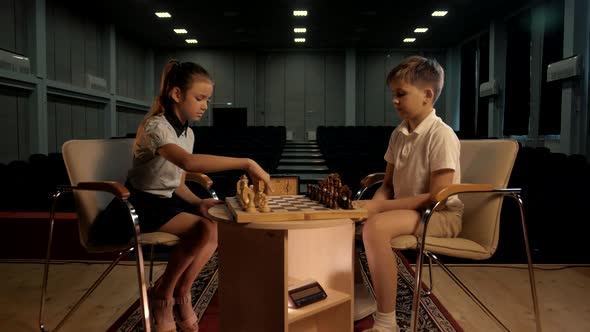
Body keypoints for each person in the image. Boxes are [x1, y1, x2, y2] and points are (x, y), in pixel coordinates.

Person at [124, 60, 272, 332]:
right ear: (177, 94)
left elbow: (176, 183)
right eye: (199, 98)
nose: (205, 105)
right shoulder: (156, 127)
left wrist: (197, 201)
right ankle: (163, 295)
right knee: (203, 229)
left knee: (214, 224)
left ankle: (181, 291)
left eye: (207, 99)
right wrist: (247, 162)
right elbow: (190, 164)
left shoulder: (188, 133)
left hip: (165, 202)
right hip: (139, 204)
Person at [353, 56, 463, 332]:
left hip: (439, 214)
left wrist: (377, 210)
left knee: (375, 227)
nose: (395, 100)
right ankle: (361, 295)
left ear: (427, 95)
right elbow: (388, 185)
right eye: (393, 94)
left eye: (401, 94)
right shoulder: (398, 134)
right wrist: (369, 205)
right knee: (348, 220)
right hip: (409, 212)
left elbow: (437, 195)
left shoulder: (441, 135)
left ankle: (387, 322)